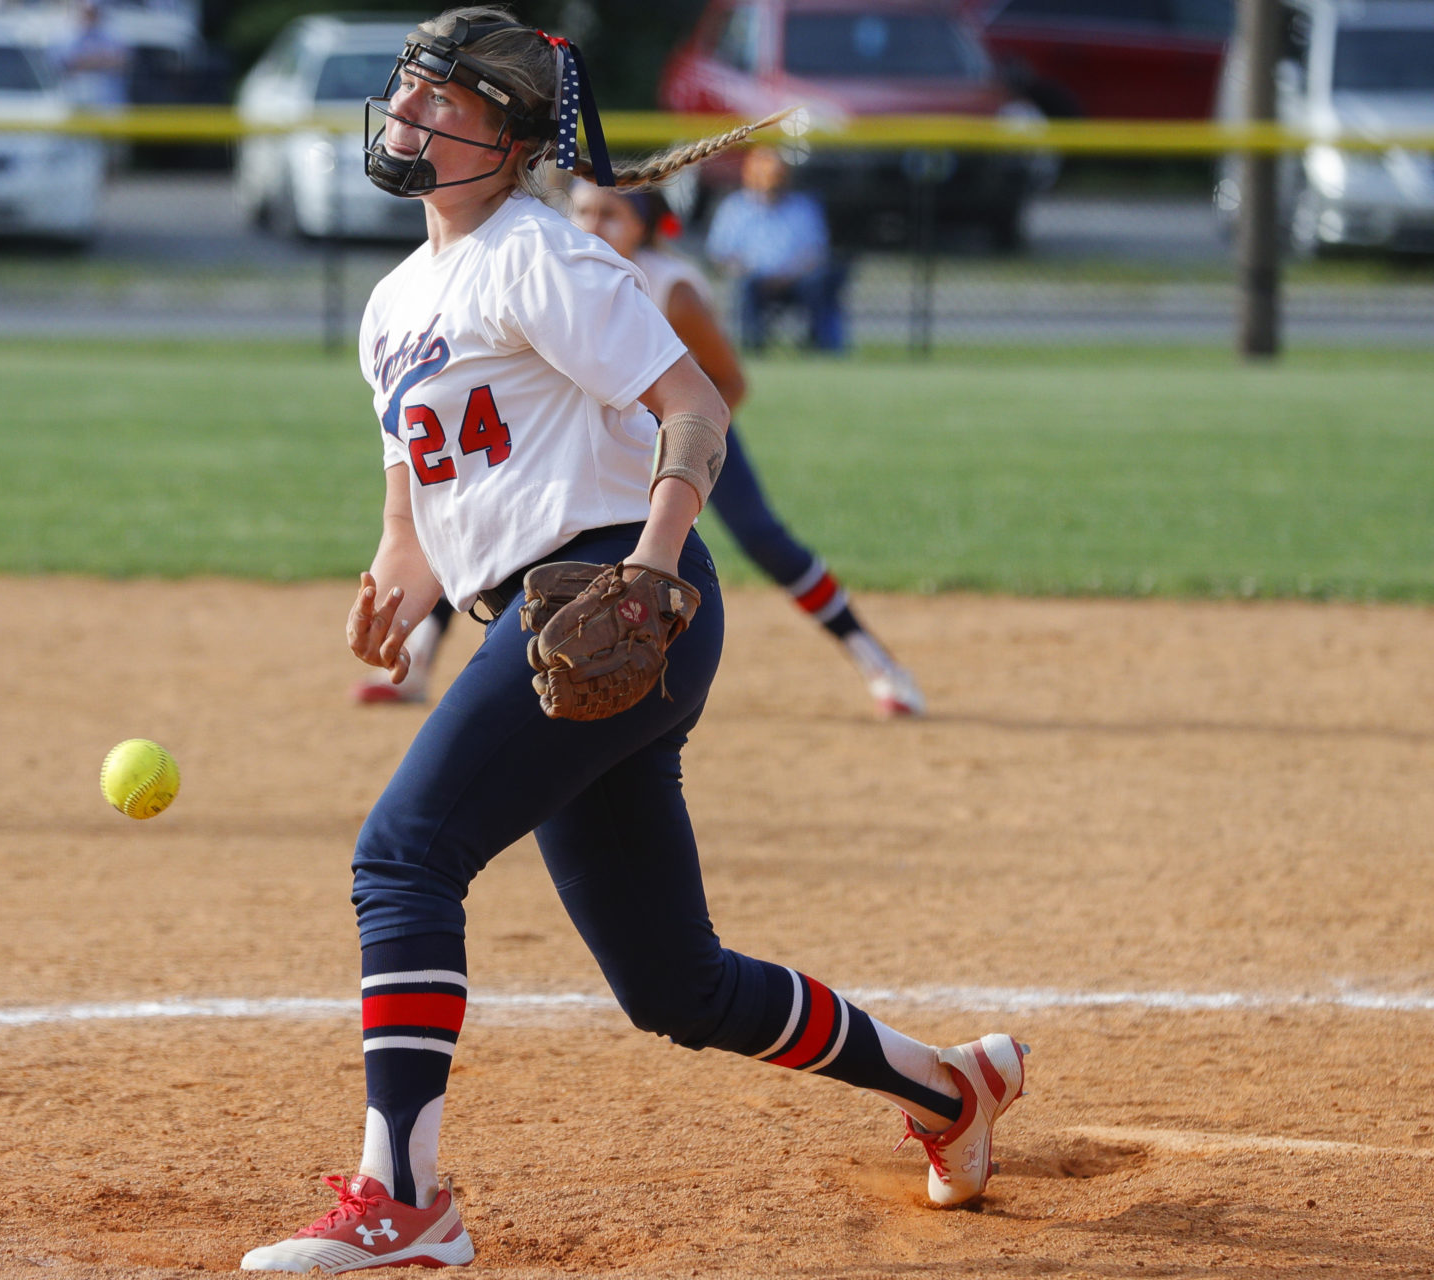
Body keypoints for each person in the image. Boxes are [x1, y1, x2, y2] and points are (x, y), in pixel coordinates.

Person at [242, 8, 1024, 1273]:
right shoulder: (394, 303)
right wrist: (392, 576)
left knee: (403, 854)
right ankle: (951, 1088)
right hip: (547, 622)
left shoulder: (539, 257)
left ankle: (406, 1196)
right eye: (406, 87)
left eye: (440, 97)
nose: (405, 110)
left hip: (621, 590)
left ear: (502, 137)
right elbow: (415, 501)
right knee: (677, 985)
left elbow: (695, 409)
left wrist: (652, 565)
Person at [352, 178, 926, 716]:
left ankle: (878, 663)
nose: (593, 222)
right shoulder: (554, 273)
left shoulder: (669, 288)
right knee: (497, 519)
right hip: (594, 446)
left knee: (761, 537)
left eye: (612, 214)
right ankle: (421, 661)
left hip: (683, 434)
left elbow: (725, 385)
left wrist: (662, 444)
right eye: (582, 210)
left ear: (645, 229)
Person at [706, 145, 847, 354]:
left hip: (797, 281)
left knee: (820, 281)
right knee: (745, 286)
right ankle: (752, 347)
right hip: (754, 280)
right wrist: (746, 269)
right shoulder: (734, 208)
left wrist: (787, 276)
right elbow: (719, 254)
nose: (771, 186)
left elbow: (816, 253)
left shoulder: (803, 207)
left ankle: (823, 347)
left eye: (776, 178)